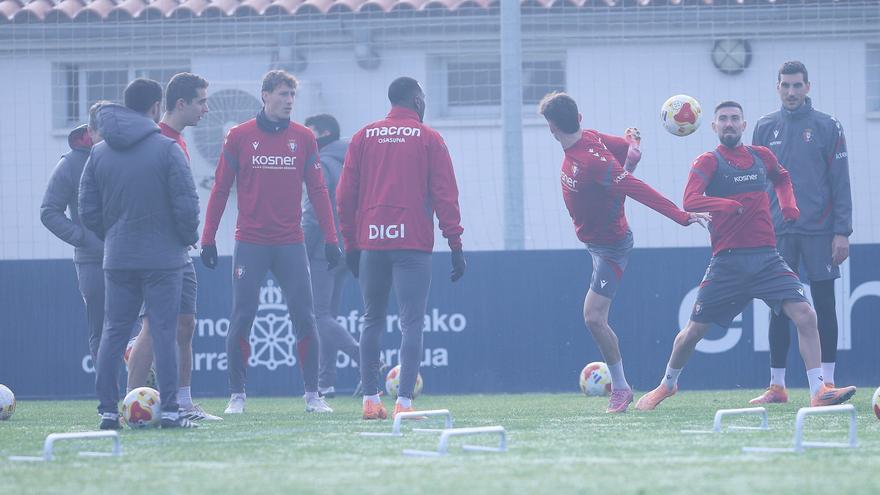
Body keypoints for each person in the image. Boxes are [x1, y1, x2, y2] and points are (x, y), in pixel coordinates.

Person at [635, 101, 856, 411]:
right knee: (693, 332)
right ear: (713, 126)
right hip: (727, 262)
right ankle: (667, 384)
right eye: (723, 119)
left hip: (767, 258)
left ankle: (819, 390)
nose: (729, 124)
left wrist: (789, 205)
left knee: (806, 315)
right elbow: (690, 200)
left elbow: (782, 178)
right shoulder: (708, 161)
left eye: (734, 119)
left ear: (743, 125)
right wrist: (724, 205)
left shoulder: (762, 156)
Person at [538, 91, 709, 414]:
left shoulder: (591, 161)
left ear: (552, 128)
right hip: (595, 237)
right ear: (579, 119)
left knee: (593, 317)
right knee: (617, 179)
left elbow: (636, 189)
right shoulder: (589, 138)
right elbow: (621, 148)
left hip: (610, 246)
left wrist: (681, 216)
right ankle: (620, 387)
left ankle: (620, 388)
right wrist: (631, 149)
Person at [199, 70, 340, 415]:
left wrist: (332, 237)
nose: (289, 101)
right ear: (265, 95)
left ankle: (313, 395)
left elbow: (318, 191)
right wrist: (208, 238)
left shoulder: (304, 138)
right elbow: (220, 188)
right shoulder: (239, 136)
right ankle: (237, 395)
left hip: (291, 243)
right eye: (282, 94)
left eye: (292, 95)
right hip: (251, 242)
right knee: (242, 316)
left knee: (305, 316)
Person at [337, 76, 466, 421]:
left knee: (371, 319)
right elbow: (445, 195)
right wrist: (455, 243)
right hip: (412, 244)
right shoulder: (429, 138)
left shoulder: (363, 136)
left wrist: (351, 243)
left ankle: (370, 401)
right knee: (412, 323)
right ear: (417, 101)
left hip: (372, 242)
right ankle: (404, 404)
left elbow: (345, 196)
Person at [79, 78, 201, 429]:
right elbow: (187, 206)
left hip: (118, 258)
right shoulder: (167, 148)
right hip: (164, 260)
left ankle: (107, 412)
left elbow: (87, 210)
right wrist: (184, 239)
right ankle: (172, 412)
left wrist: (114, 236)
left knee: (113, 333)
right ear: (155, 107)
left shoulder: (98, 152)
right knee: (164, 332)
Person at [749, 61, 853, 404]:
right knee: (778, 307)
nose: (791, 92)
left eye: (797, 85)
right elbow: (757, 183)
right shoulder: (764, 127)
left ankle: (828, 382)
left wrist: (842, 231)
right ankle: (777, 386)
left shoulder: (828, 126)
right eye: (786, 85)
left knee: (823, 304)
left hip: (820, 232)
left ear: (808, 87)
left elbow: (840, 181)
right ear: (777, 87)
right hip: (777, 232)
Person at [124, 72, 220, 421]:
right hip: (158, 252)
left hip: (180, 249)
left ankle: (184, 403)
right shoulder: (157, 141)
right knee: (153, 326)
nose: (206, 109)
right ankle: (130, 406)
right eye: (201, 102)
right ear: (181, 103)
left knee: (186, 324)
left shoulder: (177, 140)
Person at [302, 113, 365, 398]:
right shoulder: (351, 162)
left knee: (320, 316)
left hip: (322, 251)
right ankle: (325, 383)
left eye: (310, 132)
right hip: (347, 246)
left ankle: (364, 359)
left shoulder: (321, 164)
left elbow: (313, 213)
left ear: (324, 133)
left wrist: (302, 249)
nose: (306, 138)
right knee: (328, 317)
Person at [41, 101, 108, 365]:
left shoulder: (127, 156)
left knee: (138, 329)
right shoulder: (70, 163)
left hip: (131, 257)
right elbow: (49, 211)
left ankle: (141, 386)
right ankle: (108, 390)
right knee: (101, 332)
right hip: (92, 261)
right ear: (90, 130)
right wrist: (82, 238)